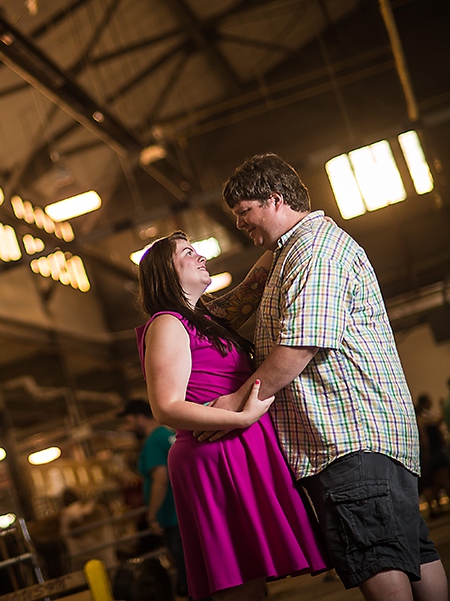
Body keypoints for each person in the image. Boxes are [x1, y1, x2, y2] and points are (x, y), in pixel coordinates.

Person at [215, 153, 447, 600]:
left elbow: (299, 346)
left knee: (376, 556)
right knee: (414, 552)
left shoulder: (314, 251)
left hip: (344, 440)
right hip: (364, 441)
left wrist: (237, 400)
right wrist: (181, 308)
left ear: (275, 199)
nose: (241, 226)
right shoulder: (289, 251)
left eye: (245, 213)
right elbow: (237, 304)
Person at [136, 231, 328, 600]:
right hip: (215, 454)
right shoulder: (167, 324)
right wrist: (240, 419)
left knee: (251, 576)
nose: (201, 256)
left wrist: (295, 229)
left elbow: (253, 283)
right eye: (188, 253)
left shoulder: (204, 318)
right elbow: (166, 406)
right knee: (238, 581)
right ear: (166, 271)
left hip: (239, 448)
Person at [118, 399, 193, 599]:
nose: (127, 427)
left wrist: (152, 515)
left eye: (128, 422)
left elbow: (160, 478)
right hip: (185, 512)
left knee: (189, 575)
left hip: (171, 517)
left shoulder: (152, 441)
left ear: (139, 418)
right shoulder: (168, 434)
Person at [58, 487, 117, 573]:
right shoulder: (98, 510)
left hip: (79, 561)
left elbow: (64, 537)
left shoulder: (65, 516)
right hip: (104, 556)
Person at [415, 393, 450, 518]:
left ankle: (435, 508)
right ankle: (437, 507)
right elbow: (426, 439)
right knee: (443, 479)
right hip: (434, 452)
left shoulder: (419, 418)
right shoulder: (425, 417)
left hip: (428, 454)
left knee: (433, 482)